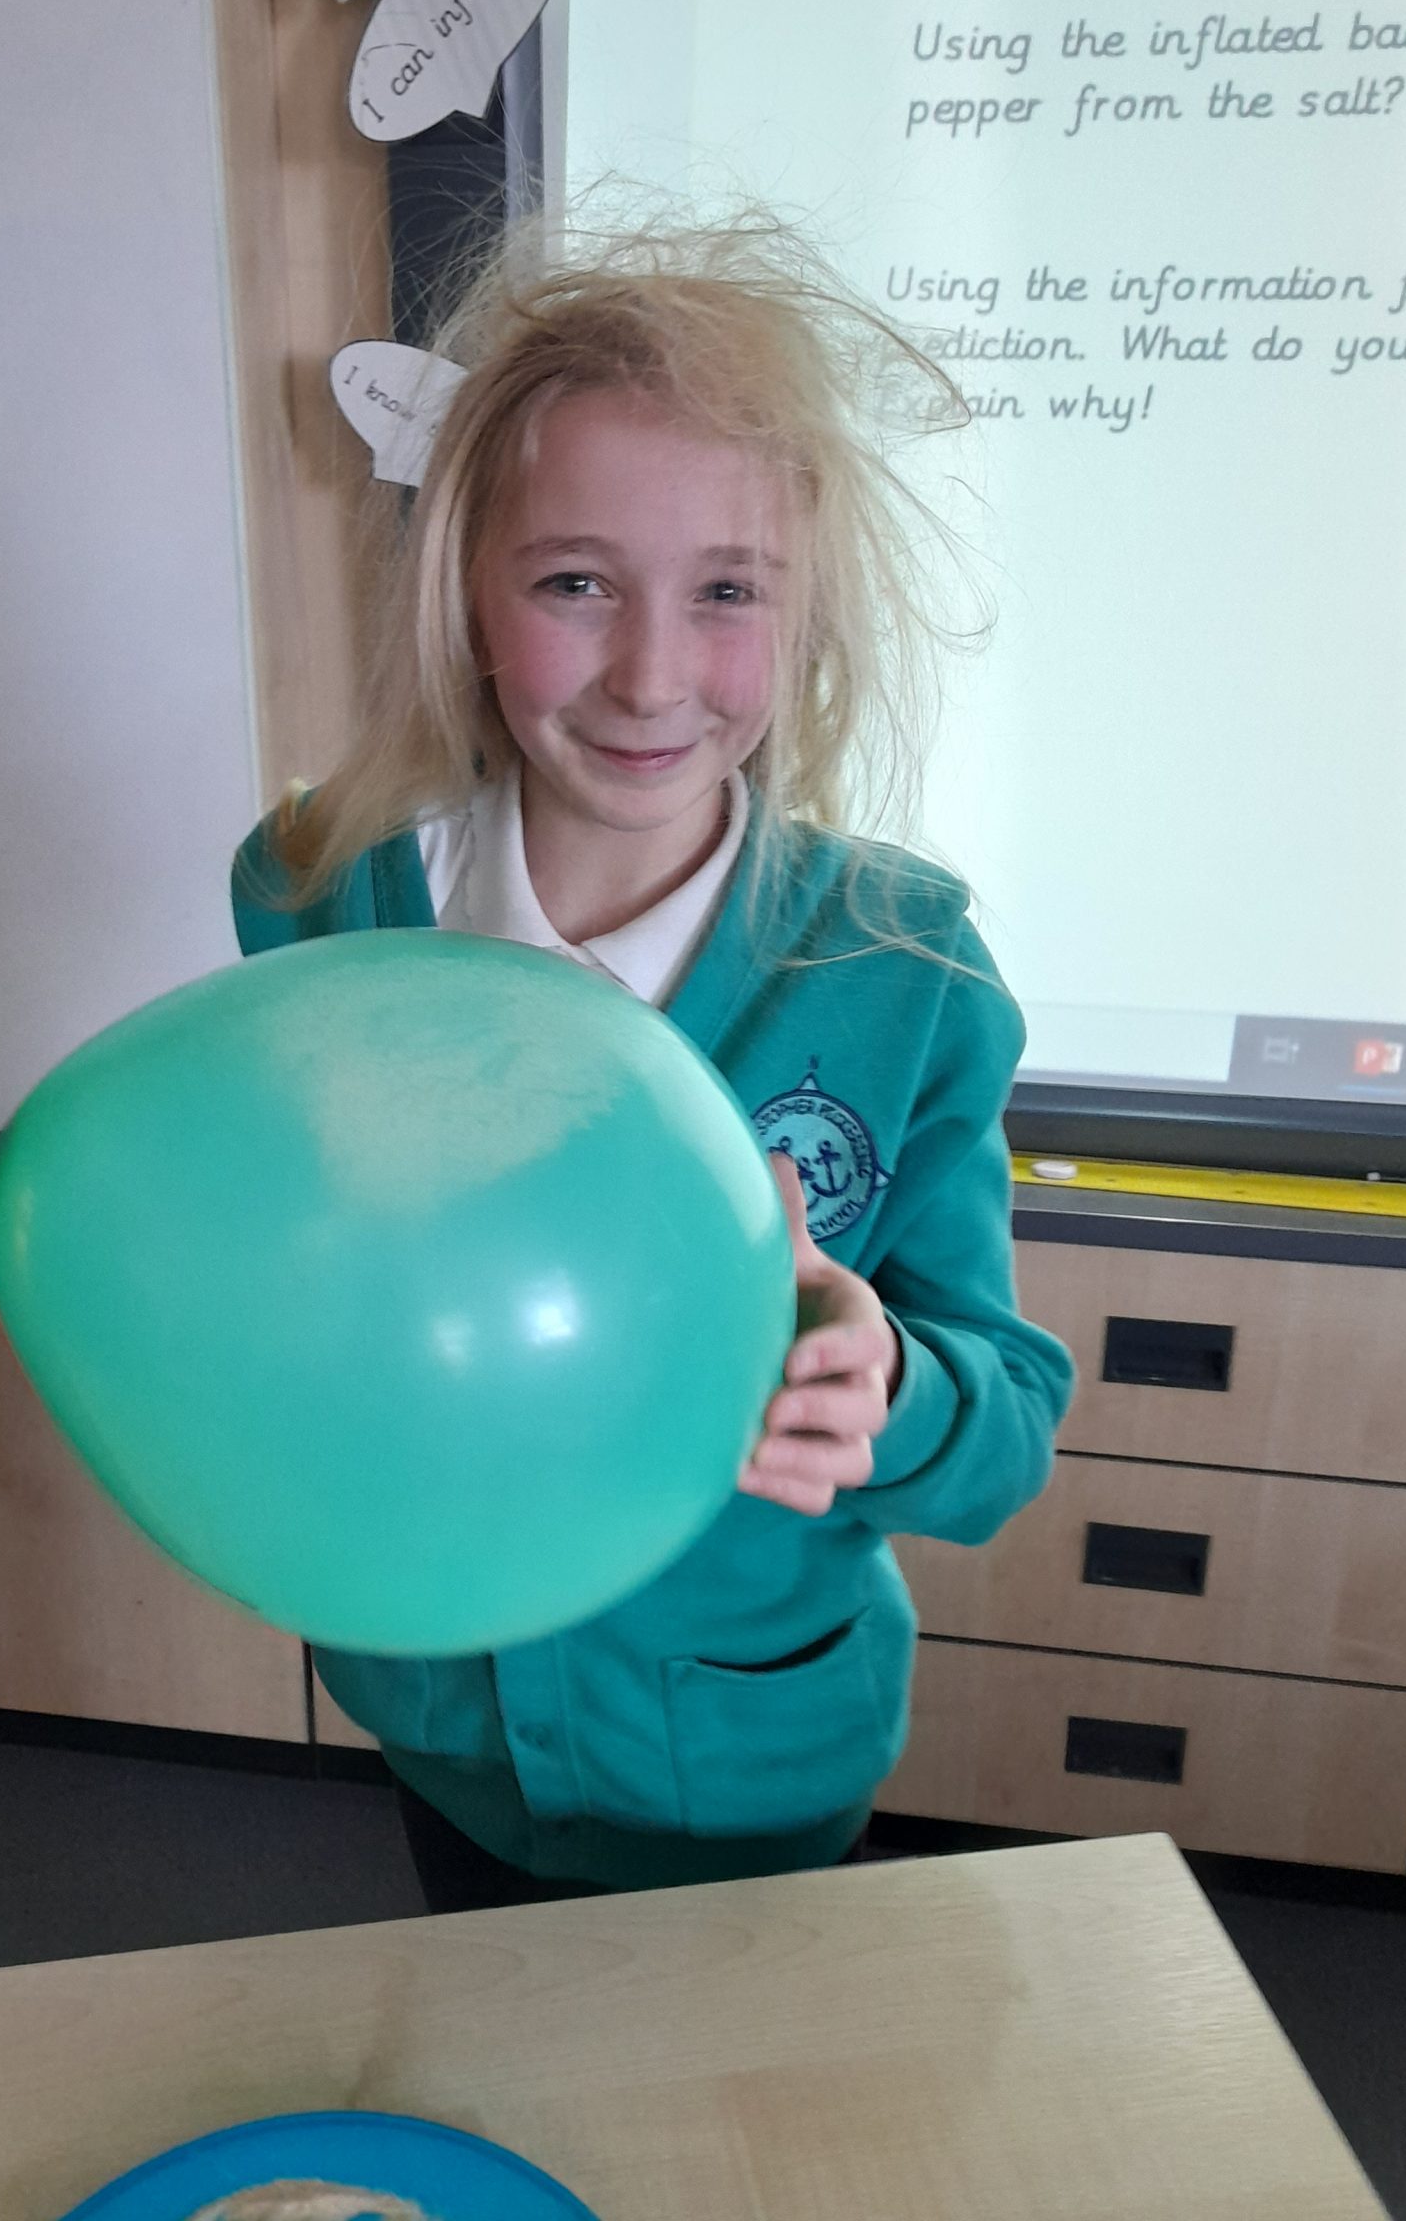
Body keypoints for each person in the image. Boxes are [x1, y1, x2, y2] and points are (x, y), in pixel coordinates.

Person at [231, 214, 1075, 1911]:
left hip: (745, 1764)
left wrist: (888, 1389)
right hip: (442, 1715)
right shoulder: (324, 891)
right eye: (573, 583)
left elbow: (1005, 1434)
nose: (651, 675)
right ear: (469, 586)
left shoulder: (906, 977)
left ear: (808, 613)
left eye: (727, 593)